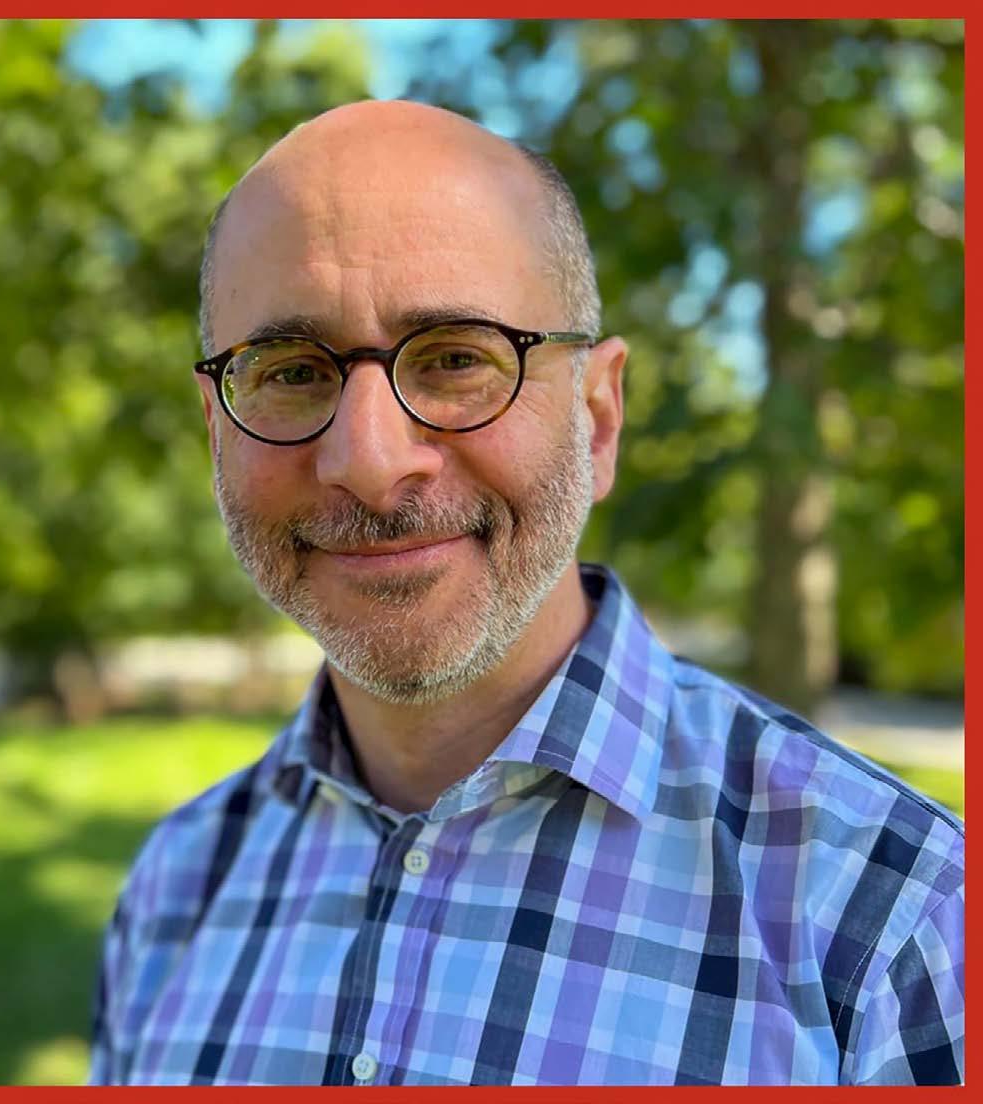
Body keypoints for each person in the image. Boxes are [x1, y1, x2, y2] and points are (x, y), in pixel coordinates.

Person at [89, 100, 964, 1086]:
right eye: (291, 372)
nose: (369, 463)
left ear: (598, 418)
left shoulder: (898, 925)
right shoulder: (173, 893)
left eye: (456, 358)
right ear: (217, 429)